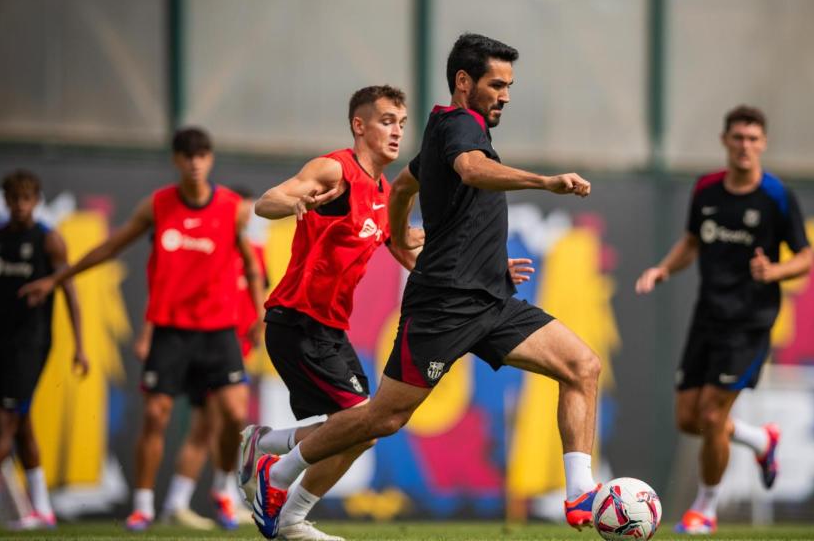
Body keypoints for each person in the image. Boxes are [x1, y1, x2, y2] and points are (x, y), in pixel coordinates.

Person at [248, 33, 600, 540]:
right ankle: (275, 472)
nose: (505, 94)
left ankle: (580, 492)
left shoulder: (441, 127)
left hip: (492, 300)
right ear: (464, 82)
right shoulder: (459, 127)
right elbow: (472, 170)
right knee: (382, 419)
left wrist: (397, 235)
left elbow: (406, 186)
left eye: (509, 85)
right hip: (445, 305)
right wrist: (545, 182)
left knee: (582, 366)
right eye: (496, 84)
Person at [20, 128, 264, 531]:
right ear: (176, 161)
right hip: (170, 330)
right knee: (156, 414)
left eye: (202, 155)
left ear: (211, 159)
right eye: (187, 156)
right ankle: (143, 505)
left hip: (219, 329)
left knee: (235, 413)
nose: (195, 163)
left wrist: (257, 315)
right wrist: (58, 279)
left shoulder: (231, 207)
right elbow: (111, 247)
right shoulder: (158, 206)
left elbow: (252, 268)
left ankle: (222, 488)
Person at [236, 84, 426, 541]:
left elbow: (405, 253)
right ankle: (281, 493)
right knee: (361, 424)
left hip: (330, 329)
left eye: (401, 122)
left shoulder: (383, 192)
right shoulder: (335, 170)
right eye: (385, 121)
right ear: (359, 126)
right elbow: (268, 201)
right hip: (297, 320)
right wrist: (295, 201)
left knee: (363, 430)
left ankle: (267, 451)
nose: (397, 131)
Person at [635, 105, 813, 534]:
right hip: (707, 317)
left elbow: (805, 257)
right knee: (688, 420)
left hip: (749, 322)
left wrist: (774, 271)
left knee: (713, 417)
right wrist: (662, 269)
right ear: (724, 141)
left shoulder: (777, 196)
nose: (745, 146)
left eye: (753, 139)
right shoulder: (707, 190)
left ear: (763, 143)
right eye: (738, 138)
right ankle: (759, 439)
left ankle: (705, 510)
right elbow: (693, 243)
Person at [134, 186, 264, 530]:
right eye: (243, 212)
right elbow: (168, 288)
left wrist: (259, 325)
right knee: (204, 428)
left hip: (231, 351)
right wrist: (148, 334)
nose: (246, 219)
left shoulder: (253, 254)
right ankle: (188, 500)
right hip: (201, 346)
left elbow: (256, 296)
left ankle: (203, 497)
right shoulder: (208, 248)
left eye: (249, 214)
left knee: (224, 423)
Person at [0, 170, 88, 528]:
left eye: (26, 199)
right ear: (5, 202)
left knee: (6, 420)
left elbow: (70, 294)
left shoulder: (49, 241)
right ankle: (43, 510)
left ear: (36, 201)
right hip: (1, 341)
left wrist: (80, 347)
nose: (20, 206)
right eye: (13, 199)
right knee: (20, 424)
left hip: (32, 343)